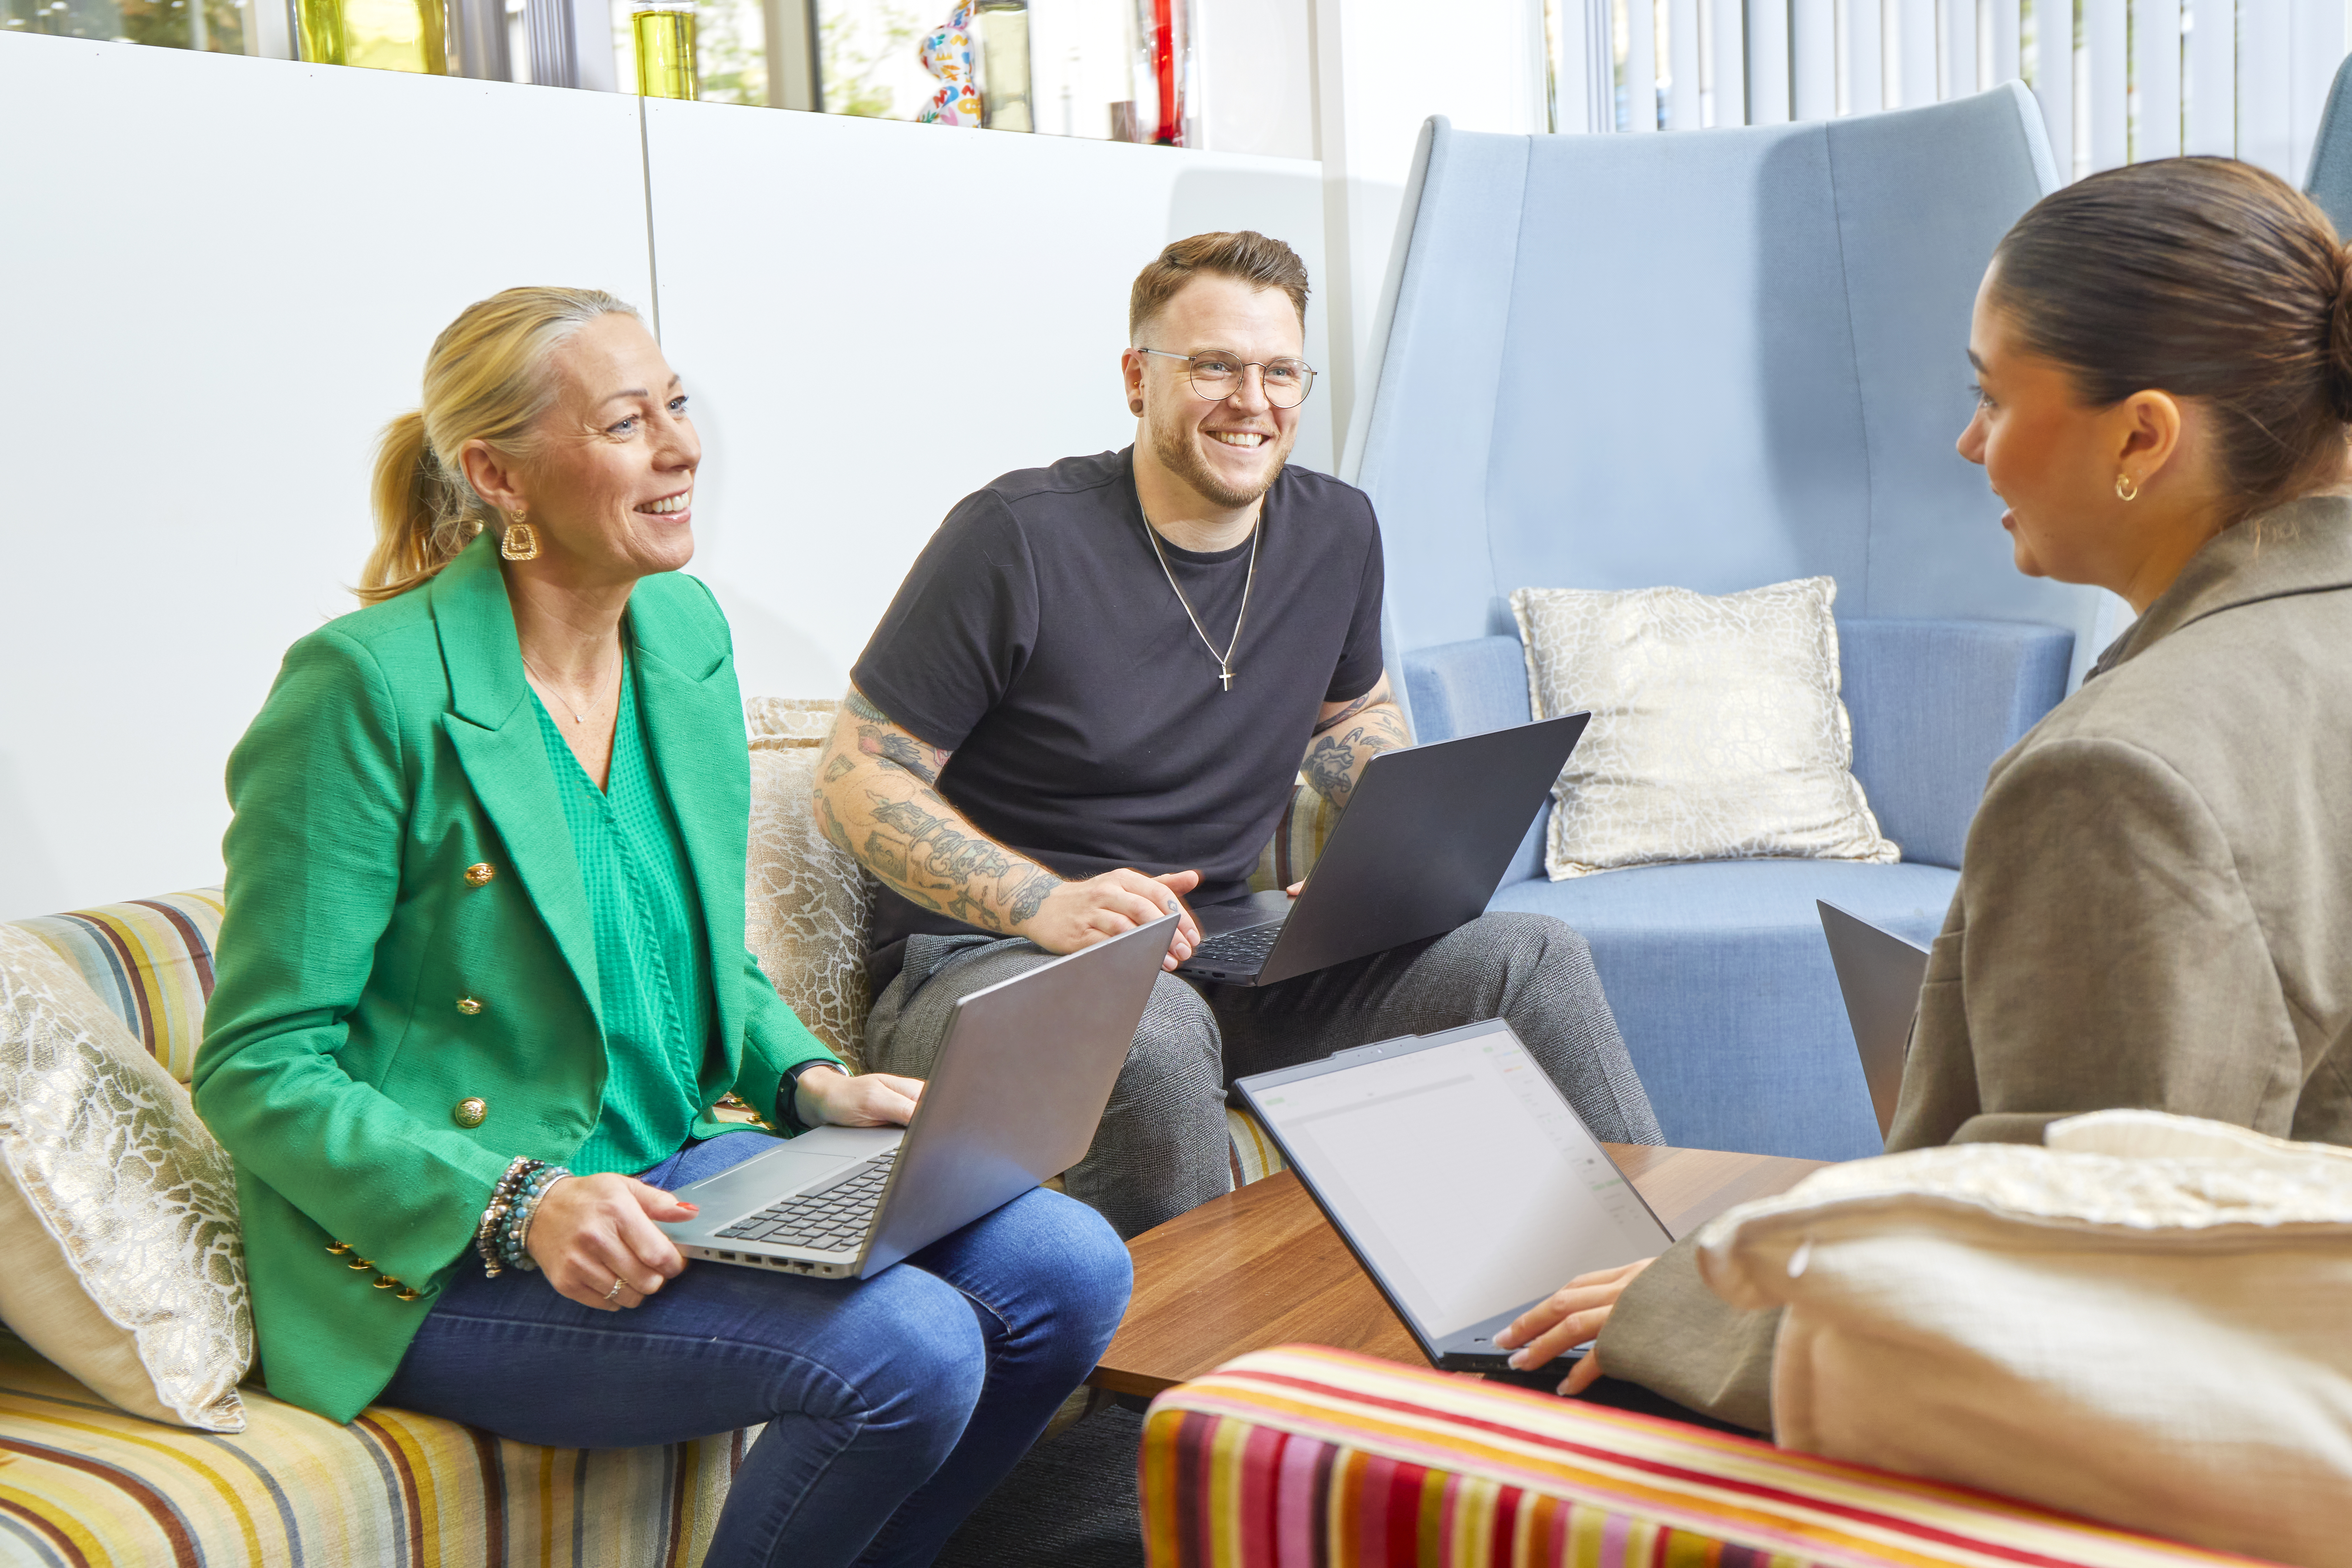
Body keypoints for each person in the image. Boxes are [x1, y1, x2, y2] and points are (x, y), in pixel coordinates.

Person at [192, 287, 1131, 1568]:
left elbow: (700, 955)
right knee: (907, 1349)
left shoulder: (680, 637)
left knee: (1070, 1268)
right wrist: (521, 1205)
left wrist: (805, 1079)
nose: (684, 448)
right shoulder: (364, 688)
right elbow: (259, 1065)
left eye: (676, 404)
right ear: (496, 475)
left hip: (673, 1171)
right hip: (442, 1251)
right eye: (629, 423)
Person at [1491, 157, 2352, 1431]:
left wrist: (1680, 1313)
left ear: (2142, 435)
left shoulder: (2120, 775)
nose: (1968, 442)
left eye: (1992, 396)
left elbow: (2075, 1308)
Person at [818, 231, 1661, 1242]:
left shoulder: (1337, 531)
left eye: (1278, 372)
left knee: (1535, 955)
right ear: (1139, 379)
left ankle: (1646, 1309)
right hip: (984, 969)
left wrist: (1386, 848)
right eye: (1214, 366)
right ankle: (1160, 1396)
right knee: (1154, 1034)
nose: (1251, 402)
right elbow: (856, 778)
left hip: (1226, 951)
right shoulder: (1017, 536)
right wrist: (1047, 903)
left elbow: (1352, 714)